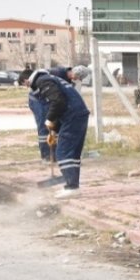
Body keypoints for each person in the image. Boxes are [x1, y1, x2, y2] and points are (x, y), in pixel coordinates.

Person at [28, 68, 91, 198]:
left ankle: (72, 187)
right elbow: (59, 103)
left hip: (72, 115)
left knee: (63, 151)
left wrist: (49, 120)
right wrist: (54, 130)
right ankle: (72, 185)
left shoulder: (43, 81)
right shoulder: (54, 79)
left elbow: (58, 102)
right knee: (72, 153)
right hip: (77, 114)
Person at [18, 68, 51, 163]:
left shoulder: (40, 80)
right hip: (39, 106)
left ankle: (53, 154)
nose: (26, 87)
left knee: (50, 129)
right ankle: (46, 156)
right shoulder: (37, 86)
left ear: (25, 80)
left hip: (45, 105)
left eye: (24, 84)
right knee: (43, 129)